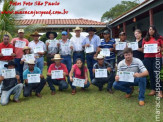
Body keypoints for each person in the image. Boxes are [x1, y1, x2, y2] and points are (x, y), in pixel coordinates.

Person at [142, 25, 163, 98]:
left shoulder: (159, 38)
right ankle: (153, 89)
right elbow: (143, 49)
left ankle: (160, 90)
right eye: (149, 29)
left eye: (152, 29)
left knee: (156, 74)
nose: (151, 31)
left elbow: (162, 48)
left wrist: (160, 48)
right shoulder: (145, 39)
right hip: (147, 58)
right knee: (150, 74)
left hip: (157, 58)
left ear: (155, 30)